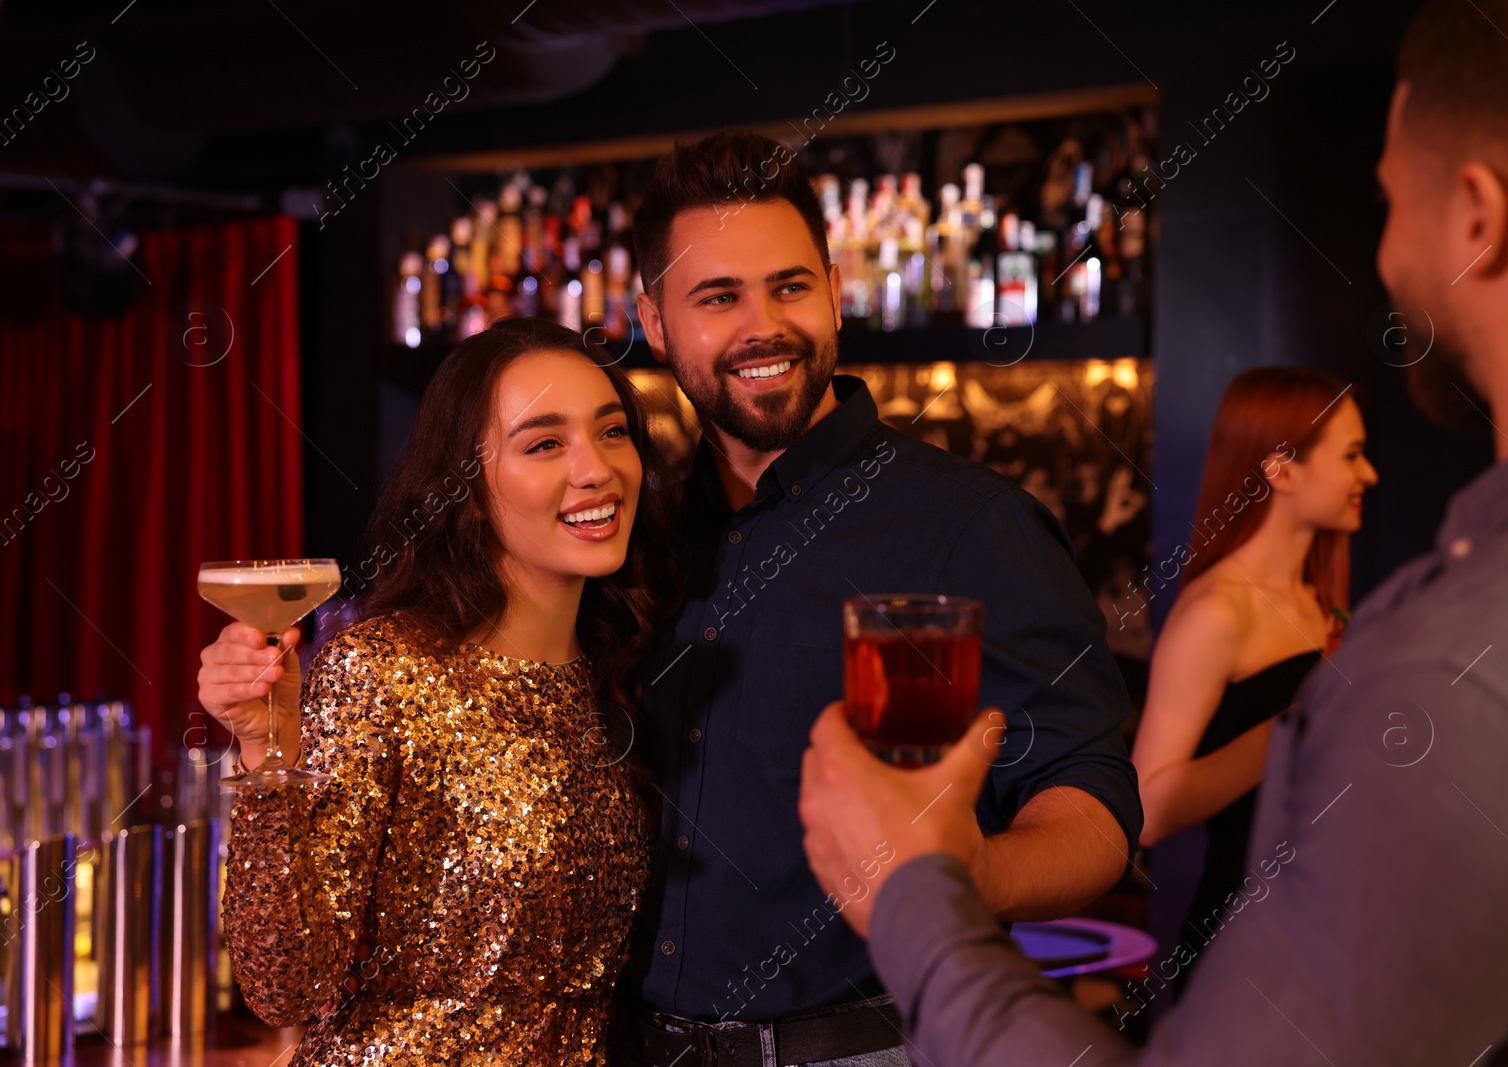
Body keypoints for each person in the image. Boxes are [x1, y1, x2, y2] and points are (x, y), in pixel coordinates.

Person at [203, 131, 1143, 1067]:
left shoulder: (969, 526)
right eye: (718, 296)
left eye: (790, 285)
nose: (762, 326)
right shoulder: (635, 548)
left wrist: (966, 872)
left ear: (834, 292)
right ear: (655, 321)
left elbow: (1096, 813)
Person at [797, 0, 1508, 1062]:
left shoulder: (1460, 668)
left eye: (1389, 199)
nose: (1387, 249)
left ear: (1477, 216)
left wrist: (910, 892)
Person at [210, 318, 680, 1065]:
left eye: (612, 430)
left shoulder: (617, 674)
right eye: (545, 443)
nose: (595, 469)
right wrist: (269, 752)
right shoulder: (384, 669)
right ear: (470, 491)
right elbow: (284, 986)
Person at [1131, 367, 1376, 993]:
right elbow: (1145, 812)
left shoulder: (1319, 597)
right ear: (1281, 470)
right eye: (1351, 456)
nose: (1367, 475)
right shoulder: (1218, 612)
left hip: (1321, 934)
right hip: (1241, 945)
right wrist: (1292, 730)